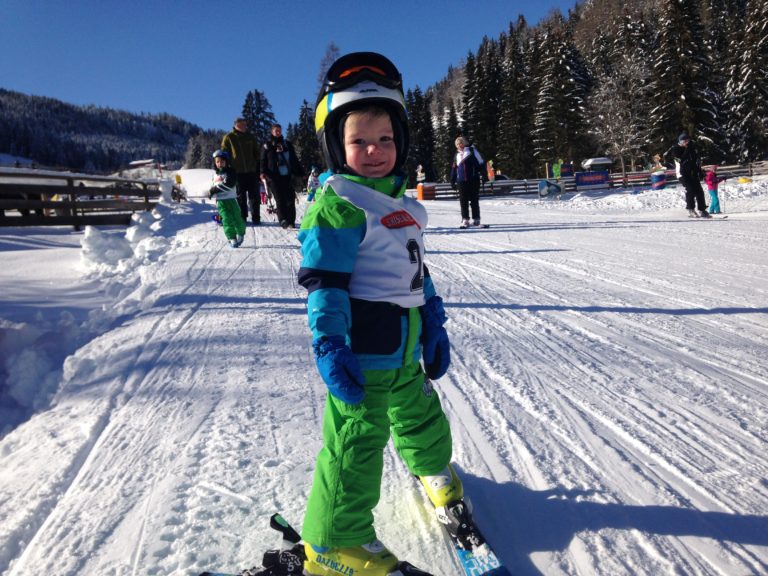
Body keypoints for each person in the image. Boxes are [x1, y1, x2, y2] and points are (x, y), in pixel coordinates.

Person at [297, 51, 461, 575]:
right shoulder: (339, 205)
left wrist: (432, 316)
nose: (374, 151)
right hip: (364, 350)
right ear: (335, 147)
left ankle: (434, 473)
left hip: (405, 344)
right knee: (356, 442)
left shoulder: (403, 206)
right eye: (359, 141)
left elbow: (416, 268)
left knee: (420, 413)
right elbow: (325, 284)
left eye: (385, 139)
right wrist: (330, 344)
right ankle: (333, 542)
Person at [260, 123, 304, 229]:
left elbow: (294, 159)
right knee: (280, 199)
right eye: (276, 130)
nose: (278, 132)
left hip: (287, 176)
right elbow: (262, 160)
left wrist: (301, 172)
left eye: (279, 130)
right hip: (273, 176)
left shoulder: (287, 144)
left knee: (290, 199)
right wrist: (262, 172)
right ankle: (283, 220)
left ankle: (291, 221)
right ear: (272, 132)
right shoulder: (267, 145)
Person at [221, 118, 262, 225]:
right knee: (240, 196)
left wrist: (258, 165)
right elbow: (224, 153)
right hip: (237, 171)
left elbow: (256, 153)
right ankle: (242, 217)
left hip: (251, 171)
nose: (244, 126)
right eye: (241, 124)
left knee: (254, 196)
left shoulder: (250, 137)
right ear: (235, 125)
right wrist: (226, 168)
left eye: (245, 124)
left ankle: (256, 217)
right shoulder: (229, 137)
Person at [664, 132, 710, 218]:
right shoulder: (676, 149)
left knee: (699, 191)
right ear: (681, 141)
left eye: (688, 140)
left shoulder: (691, 149)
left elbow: (696, 162)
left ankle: (702, 210)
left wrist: (700, 172)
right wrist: (688, 149)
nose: (687, 142)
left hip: (693, 173)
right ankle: (691, 209)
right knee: (690, 190)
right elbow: (681, 160)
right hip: (682, 174)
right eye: (685, 141)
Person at [208, 150, 245, 248]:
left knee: (237, 218)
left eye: (222, 161)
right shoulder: (215, 175)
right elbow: (214, 186)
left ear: (226, 162)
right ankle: (231, 237)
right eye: (217, 162)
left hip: (232, 200)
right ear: (215, 163)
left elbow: (228, 185)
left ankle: (240, 233)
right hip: (221, 202)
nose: (220, 164)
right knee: (226, 220)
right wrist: (210, 192)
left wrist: (214, 190)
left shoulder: (230, 172)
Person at [450, 136, 485, 228]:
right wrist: (452, 180)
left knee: (474, 199)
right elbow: (454, 168)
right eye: (457, 144)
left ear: (464, 143)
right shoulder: (456, 155)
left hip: (473, 179)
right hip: (461, 181)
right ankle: (465, 219)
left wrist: (484, 175)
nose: (459, 145)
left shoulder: (472, 151)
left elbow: (481, 163)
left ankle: (476, 219)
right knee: (463, 201)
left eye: (460, 143)